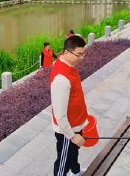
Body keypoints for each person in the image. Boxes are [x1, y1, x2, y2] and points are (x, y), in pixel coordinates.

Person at [50, 35, 88, 176]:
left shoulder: (69, 64)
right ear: (66, 53)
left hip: (76, 123)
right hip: (67, 130)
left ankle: (76, 171)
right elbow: (59, 115)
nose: (81, 58)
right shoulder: (61, 79)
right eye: (78, 54)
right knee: (63, 161)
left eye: (83, 54)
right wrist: (72, 136)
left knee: (73, 152)